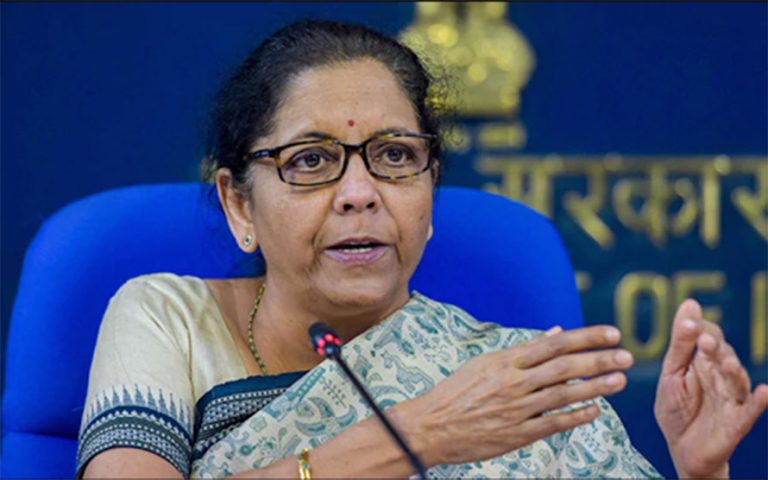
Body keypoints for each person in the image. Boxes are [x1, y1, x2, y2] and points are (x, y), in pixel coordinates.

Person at [77, 20, 767, 479]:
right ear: (238, 204)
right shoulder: (168, 319)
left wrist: (702, 473)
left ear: (430, 190)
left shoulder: (516, 383)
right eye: (311, 160)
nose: (359, 193)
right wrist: (419, 436)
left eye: (395, 156)